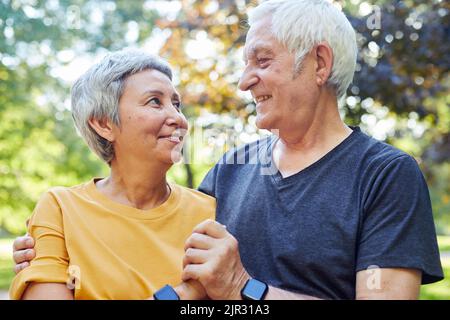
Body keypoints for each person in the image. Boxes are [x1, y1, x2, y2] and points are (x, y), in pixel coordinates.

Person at [13, 0, 443, 300]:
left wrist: (244, 289)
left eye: (261, 61)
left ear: (320, 64)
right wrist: (53, 247)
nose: (243, 81)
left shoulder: (385, 175)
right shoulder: (229, 172)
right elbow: (152, 231)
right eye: (244, 64)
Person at [9, 49, 214, 299]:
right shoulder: (60, 209)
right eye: (155, 102)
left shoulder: (210, 214)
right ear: (104, 124)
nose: (177, 118)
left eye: (176, 104)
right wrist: (187, 292)